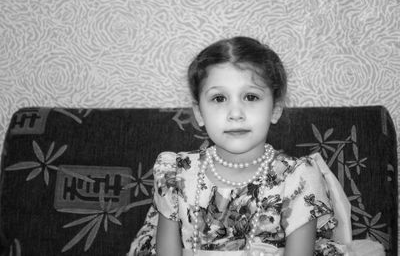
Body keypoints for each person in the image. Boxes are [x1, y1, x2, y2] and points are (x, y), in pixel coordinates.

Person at [128, 36, 384, 256]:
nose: (235, 113)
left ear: (275, 109)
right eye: (219, 98)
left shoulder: (298, 177)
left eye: (251, 97)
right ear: (198, 112)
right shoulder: (176, 172)